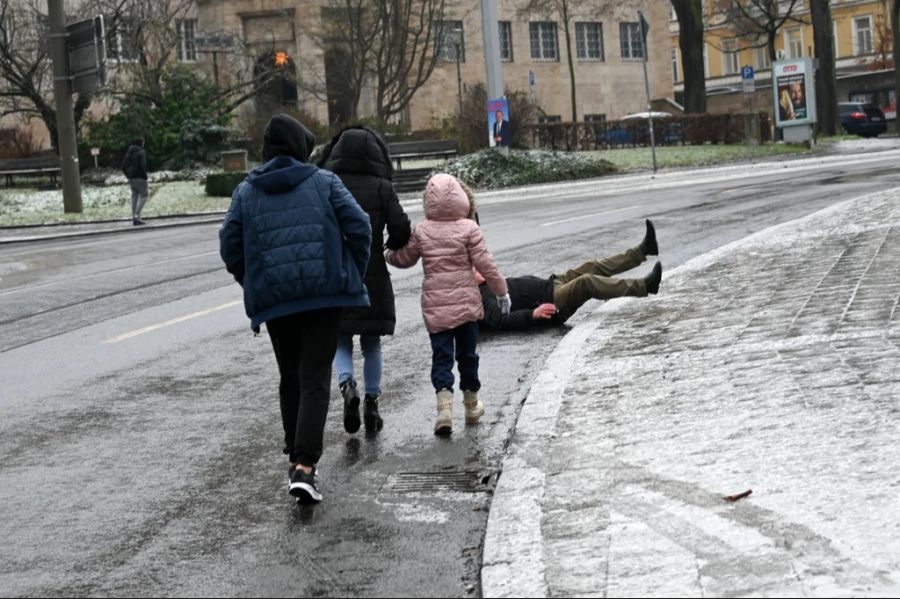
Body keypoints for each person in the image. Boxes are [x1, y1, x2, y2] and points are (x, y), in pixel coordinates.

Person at [219, 114, 372, 505]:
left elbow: (230, 246)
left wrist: (253, 280)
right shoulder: (324, 182)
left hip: (277, 303)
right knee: (314, 378)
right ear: (301, 148)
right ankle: (305, 466)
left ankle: (296, 457)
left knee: (290, 377)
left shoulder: (246, 192)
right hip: (324, 298)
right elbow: (360, 227)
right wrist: (349, 269)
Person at [385, 173, 510, 436]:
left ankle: (444, 409)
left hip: (436, 308)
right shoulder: (469, 228)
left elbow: (405, 259)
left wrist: (386, 254)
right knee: (467, 355)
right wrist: (501, 291)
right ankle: (472, 406)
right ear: (461, 198)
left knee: (441, 358)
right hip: (466, 306)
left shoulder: (422, 230)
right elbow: (485, 263)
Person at [317, 125, 411, 435]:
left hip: (337, 275)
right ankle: (372, 402)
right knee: (372, 344)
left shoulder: (328, 184)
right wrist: (389, 246)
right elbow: (401, 228)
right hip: (372, 274)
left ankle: (347, 386)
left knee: (339, 338)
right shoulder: (382, 187)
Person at [479, 220, 662, 331]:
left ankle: (643, 250)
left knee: (592, 266)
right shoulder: (481, 298)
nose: (478, 268)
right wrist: (532, 314)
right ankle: (645, 286)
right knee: (586, 283)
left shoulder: (488, 283)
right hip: (553, 303)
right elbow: (500, 321)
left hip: (552, 283)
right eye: (473, 269)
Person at [121, 137, 149, 225]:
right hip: (140, 177)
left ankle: (134, 217)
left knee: (134, 196)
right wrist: (145, 176)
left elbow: (123, 166)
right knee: (144, 195)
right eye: (143, 143)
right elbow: (143, 166)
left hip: (131, 179)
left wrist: (128, 176)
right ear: (140, 143)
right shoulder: (141, 152)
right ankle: (137, 215)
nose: (144, 144)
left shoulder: (129, 152)